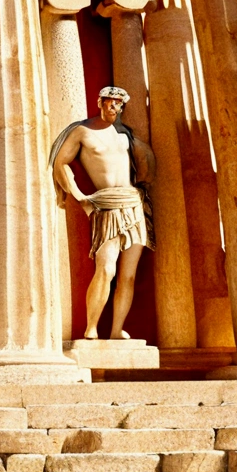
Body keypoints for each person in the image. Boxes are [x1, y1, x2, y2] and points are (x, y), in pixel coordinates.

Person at [50, 86, 156, 341]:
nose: (114, 108)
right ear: (100, 102)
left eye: (119, 104)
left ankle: (117, 329)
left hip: (133, 203)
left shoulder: (124, 136)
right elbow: (60, 163)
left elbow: (144, 165)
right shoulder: (82, 131)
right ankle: (91, 328)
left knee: (128, 275)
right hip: (106, 204)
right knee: (106, 268)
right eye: (110, 102)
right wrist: (81, 199)